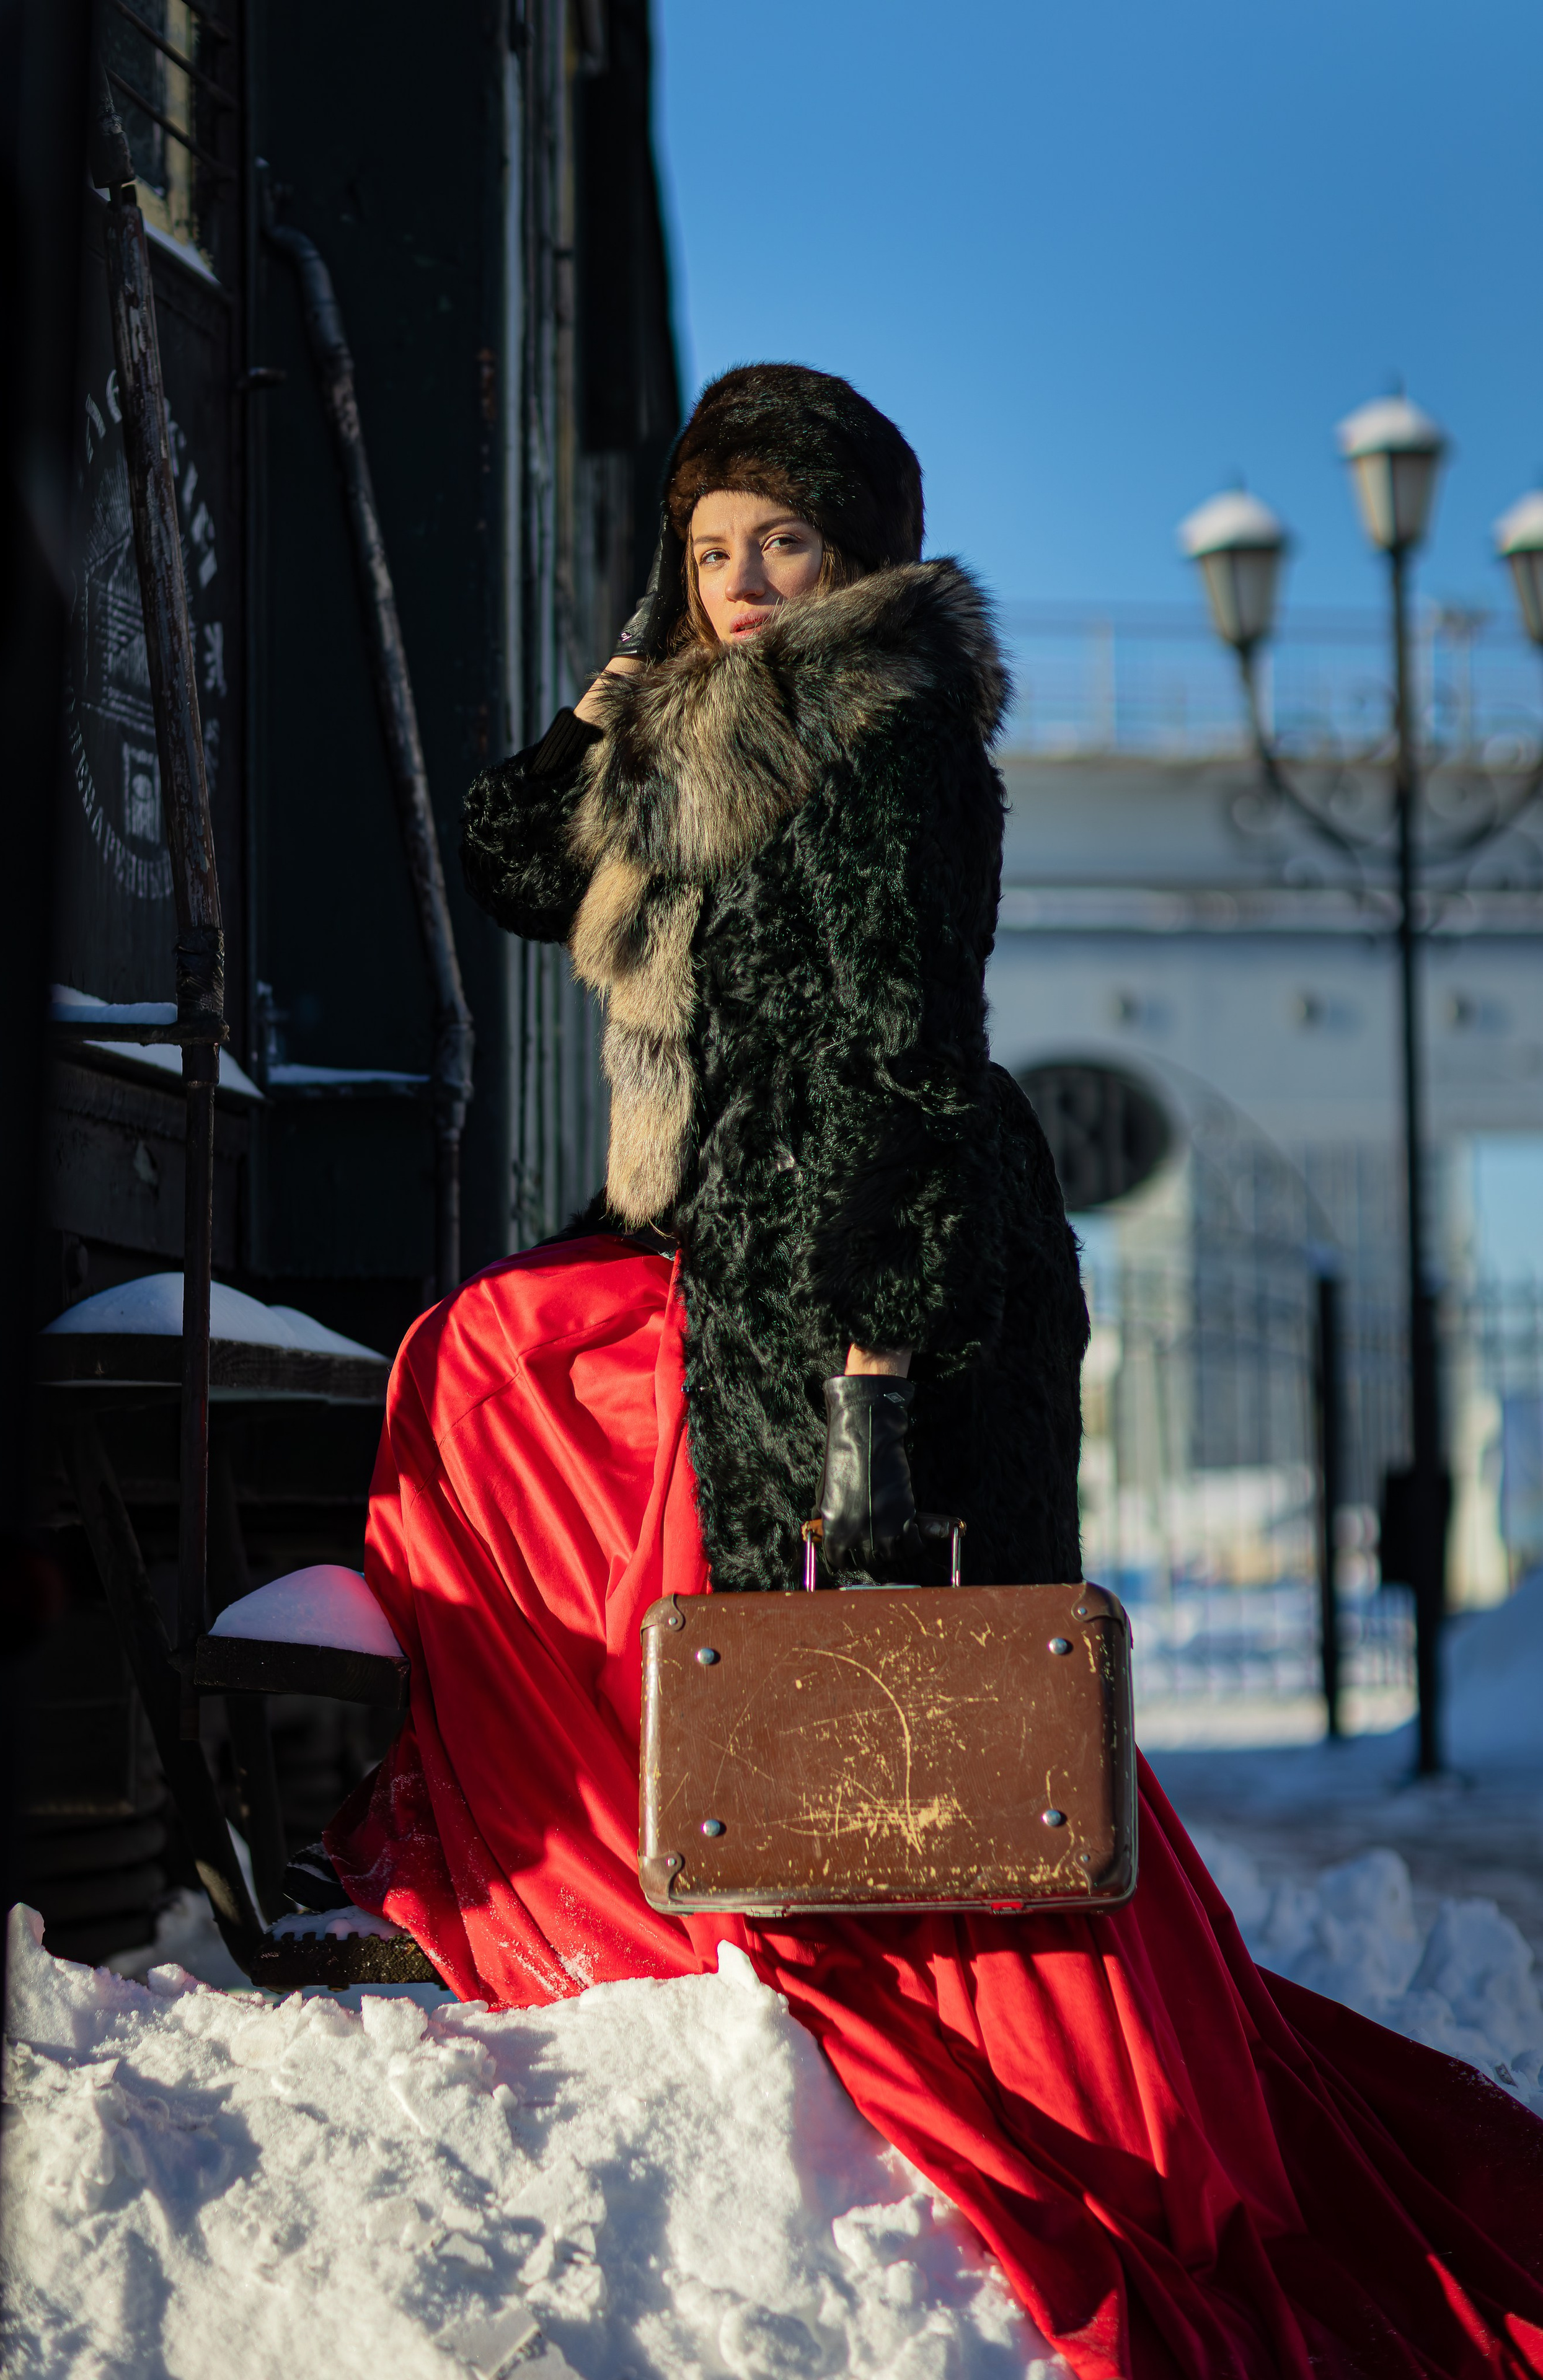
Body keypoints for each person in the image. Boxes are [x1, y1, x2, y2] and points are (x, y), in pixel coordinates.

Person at [317, 367, 1543, 2379]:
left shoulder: (882, 736)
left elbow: (898, 1044)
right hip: (735, 1231)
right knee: (510, 1377)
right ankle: (609, 1854)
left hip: (862, 1240)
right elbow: (514, 865)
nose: (741, 583)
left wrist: (875, 1330)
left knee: (838, 1619)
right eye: (709, 551)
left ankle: (681, 1898)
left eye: (780, 545)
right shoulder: (695, 724)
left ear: (858, 553)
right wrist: (612, 695)